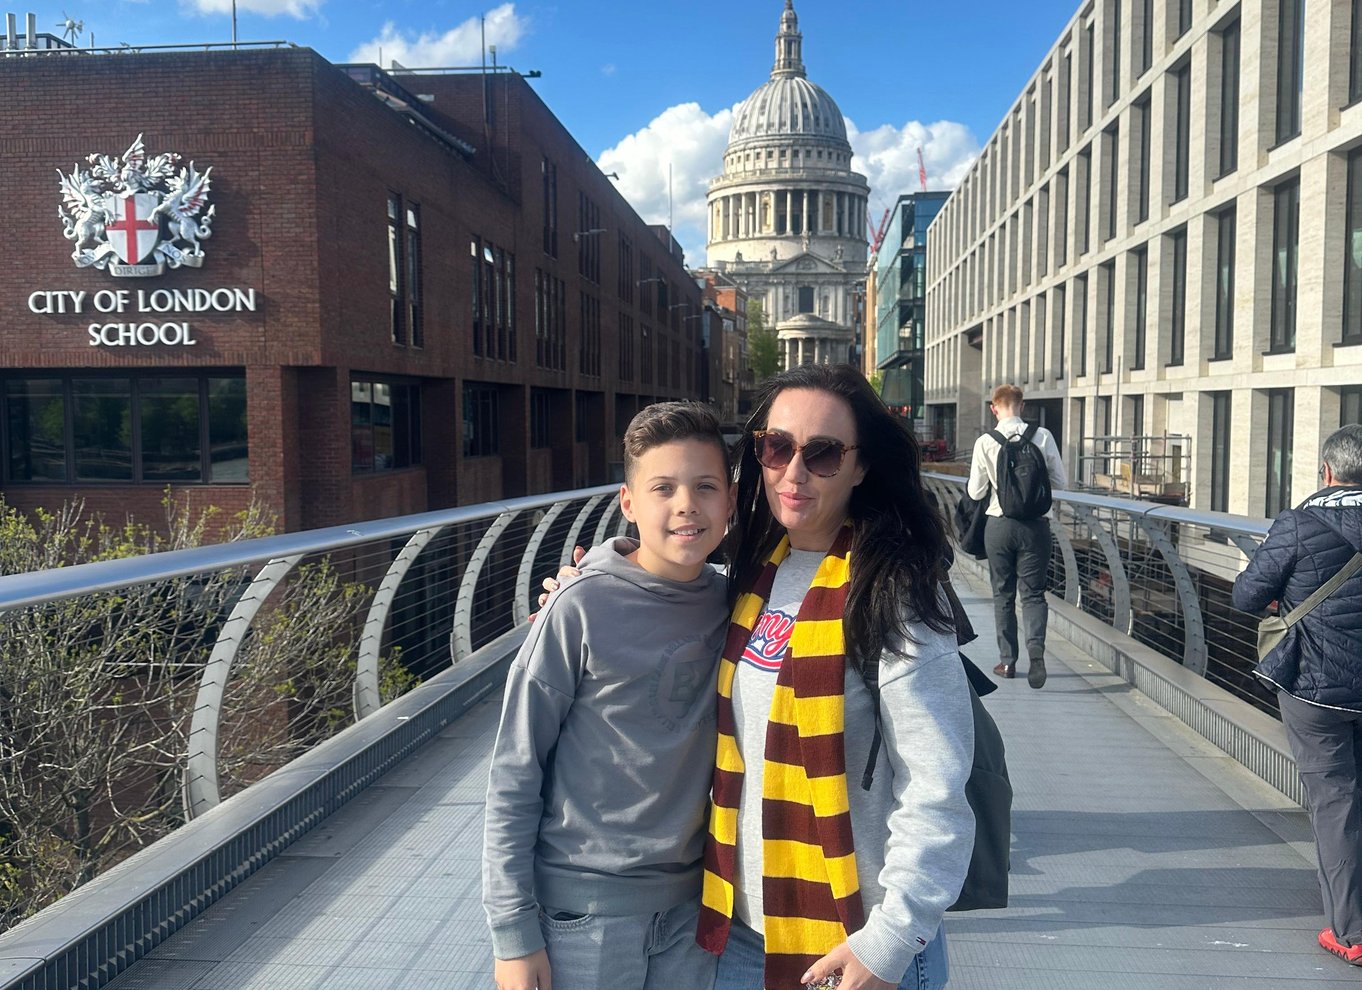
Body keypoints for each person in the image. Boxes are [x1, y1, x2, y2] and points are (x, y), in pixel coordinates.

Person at [700, 365, 975, 990]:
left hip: (856, 941)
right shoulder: (752, 573)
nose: (793, 473)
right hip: (742, 931)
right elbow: (666, 588)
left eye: (822, 454)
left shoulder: (893, 592)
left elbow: (936, 783)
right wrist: (595, 581)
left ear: (860, 466)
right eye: (777, 447)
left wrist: (890, 941)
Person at [482, 401, 736, 990]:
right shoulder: (579, 607)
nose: (686, 505)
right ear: (628, 503)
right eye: (663, 488)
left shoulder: (739, 602)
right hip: (583, 913)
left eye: (705, 486)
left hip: (694, 909)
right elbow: (515, 771)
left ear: (730, 501)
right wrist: (513, 933)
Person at [1232, 423, 1362, 968]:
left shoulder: (1300, 522)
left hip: (1316, 686)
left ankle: (1351, 931)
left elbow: (1246, 596)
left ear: (1327, 471)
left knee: (1335, 802)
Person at [966, 384, 1068, 688]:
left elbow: (975, 492)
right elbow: (1060, 481)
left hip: (999, 526)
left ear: (994, 408)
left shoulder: (986, 441)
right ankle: (1036, 651)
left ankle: (1008, 661)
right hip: (1036, 527)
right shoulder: (1043, 436)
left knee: (1003, 594)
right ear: (1022, 406)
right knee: (1034, 593)